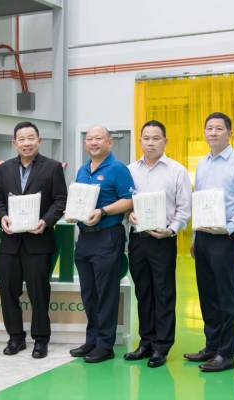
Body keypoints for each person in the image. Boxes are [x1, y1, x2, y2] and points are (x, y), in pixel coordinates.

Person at [184, 112, 234, 372]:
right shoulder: (202, 163)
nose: (213, 132)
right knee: (207, 295)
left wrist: (230, 227)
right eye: (209, 128)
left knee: (227, 297)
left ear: (229, 133)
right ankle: (212, 346)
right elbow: (200, 202)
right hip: (204, 237)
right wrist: (195, 238)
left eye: (218, 128)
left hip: (225, 238)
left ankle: (226, 354)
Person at [0, 121, 67, 359]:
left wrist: (45, 221)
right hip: (10, 242)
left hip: (39, 241)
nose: (26, 143)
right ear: (14, 143)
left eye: (31, 138)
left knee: (39, 293)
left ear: (39, 140)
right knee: (8, 291)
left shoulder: (53, 167)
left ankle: (41, 339)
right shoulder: (4, 169)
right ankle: (15, 337)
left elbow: (60, 200)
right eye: (21, 139)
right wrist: (2, 217)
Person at [125, 120, 191, 368]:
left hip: (163, 240)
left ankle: (161, 346)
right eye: (146, 138)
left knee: (163, 292)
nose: (150, 143)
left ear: (165, 141)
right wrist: (128, 214)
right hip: (137, 239)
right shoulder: (130, 170)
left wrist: (171, 230)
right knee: (143, 292)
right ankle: (146, 342)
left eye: (156, 138)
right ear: (140, 141)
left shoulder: (177, 171)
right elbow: (126, 202)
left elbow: (184, 209)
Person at [69, 125, 134, 363]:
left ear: (109, 142)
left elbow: (129, 200)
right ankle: (92, 340)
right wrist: (73, 213)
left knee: (106, 292)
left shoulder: (118, 168)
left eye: (98, 138)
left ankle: (105, 345)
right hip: (85, 237)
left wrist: (103, 211)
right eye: (89, 139)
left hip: (107, 236)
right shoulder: (82, 170)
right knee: (89, 292)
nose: (93, 142)